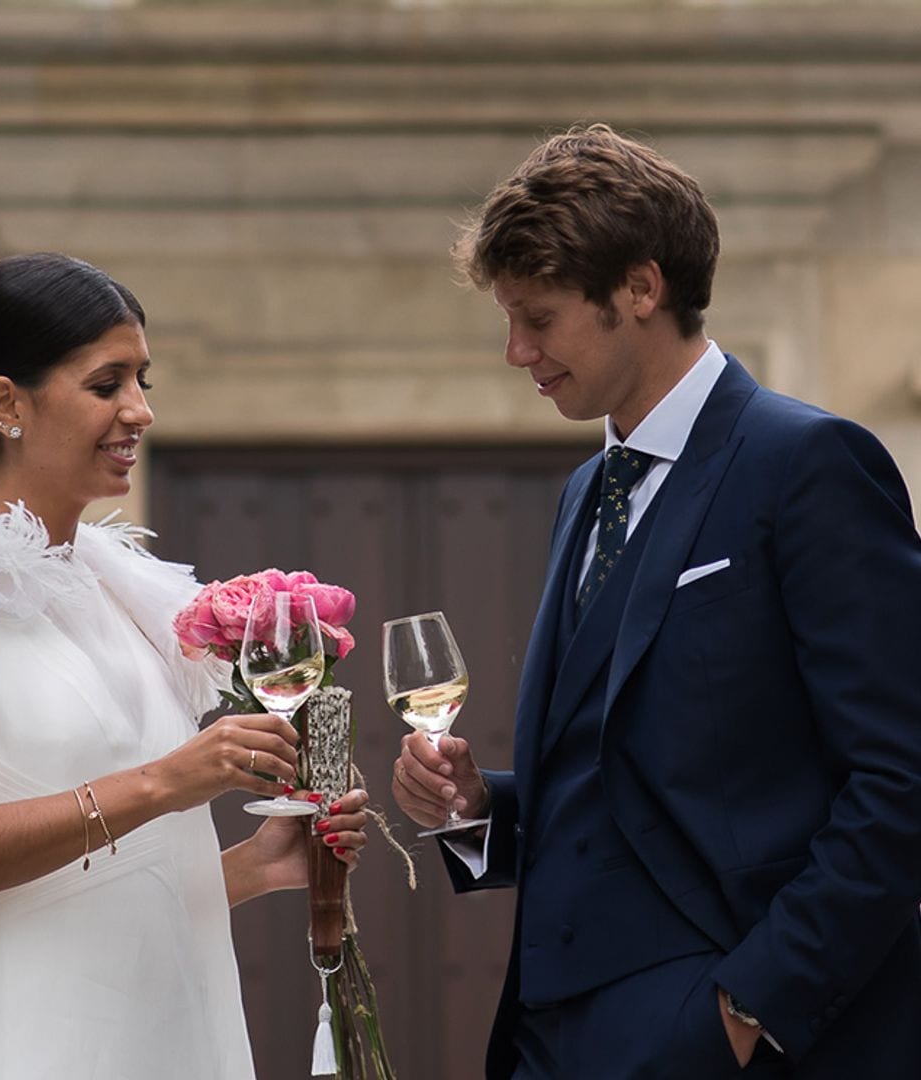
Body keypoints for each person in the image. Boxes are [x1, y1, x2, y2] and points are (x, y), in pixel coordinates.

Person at [391, 123, 921, 1078]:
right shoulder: (584, 492)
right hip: (548, 1038)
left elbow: (902, 782)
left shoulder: (808, 466)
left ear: (640, 288)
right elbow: (617, 786)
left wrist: (749, 1009)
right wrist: (477, 811)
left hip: (726, 1033)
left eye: (539, 317)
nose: (516, 351)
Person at [0, 253, 368, 1080]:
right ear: (7, 404)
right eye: (107, 383)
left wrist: (256, 865)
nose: (141, 411)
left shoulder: (123, 595)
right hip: (4, 1040)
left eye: (143, 380)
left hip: (154, 1033)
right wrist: (167, 781)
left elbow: (90, 887)